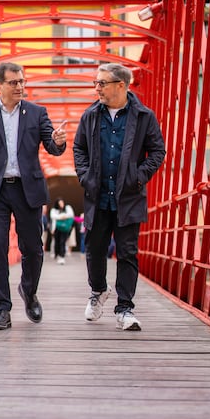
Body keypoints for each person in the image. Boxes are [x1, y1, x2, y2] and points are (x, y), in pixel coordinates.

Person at [0, 61, 67, 330]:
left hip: (27, 189)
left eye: (22, 81)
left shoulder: (36, 113)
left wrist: (58, 141)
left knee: (32, 249)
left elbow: (52, 147)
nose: (20, 86)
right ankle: (1, 309)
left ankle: (29, 291)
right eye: (13, 82)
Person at [73, 63, 165, 331]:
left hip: (129, 196)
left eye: (102, 83)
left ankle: (125, 308)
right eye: (96, 83)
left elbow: (157, 151)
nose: (97, 88)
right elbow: (79, 148)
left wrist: (139, 176)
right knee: (95, 250)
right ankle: (98, 290)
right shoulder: (90, 115)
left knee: (127, 253)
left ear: (121, 85)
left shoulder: (144, 116)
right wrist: (85, 176)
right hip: (97, 195)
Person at [50, 198, 74, 264]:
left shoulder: (67, 208)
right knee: (57, 242)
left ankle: (62, 256)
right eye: (60, 203)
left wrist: (61, 216)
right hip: (56, 229)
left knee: (62, 242)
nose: (61, 204)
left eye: (62, 202)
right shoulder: (54, 210)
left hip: (65, 228)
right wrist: (62, 216)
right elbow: (53, 216)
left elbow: (71, 214)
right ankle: (57, 254)